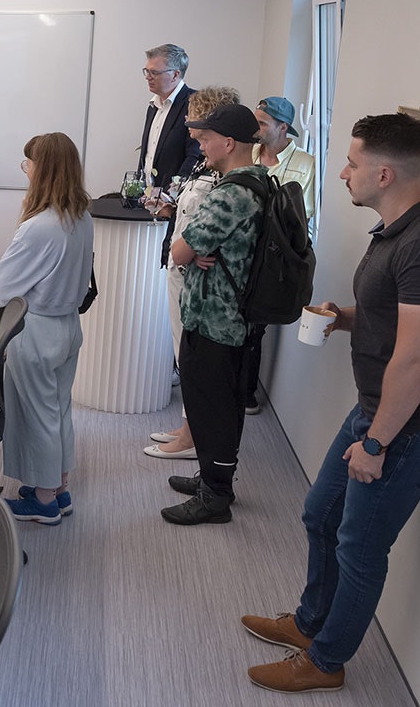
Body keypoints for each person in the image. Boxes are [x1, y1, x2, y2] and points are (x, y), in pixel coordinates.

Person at [244, 113, 420, 693]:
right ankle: (310, 622)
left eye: (352, 162)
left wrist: (375, 443)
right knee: (320, 515)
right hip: (378, 411)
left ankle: (327, 660)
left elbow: (417, 361)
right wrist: (343, 319)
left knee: (360, 547)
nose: (342, 172)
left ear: (386, 173)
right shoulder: (397, 234)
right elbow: (396, 324)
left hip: (407, 430)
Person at [160, 104, 265, 526]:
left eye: (205, 139)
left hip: (218, 319)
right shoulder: (255, 183)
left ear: (229, 142)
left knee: (214, 408)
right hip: (227, 315)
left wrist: (193, 248)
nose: (199, 145)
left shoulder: (232, 193)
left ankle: (215, 497)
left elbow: (180, 249)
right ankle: (212, 479)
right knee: (215, 404)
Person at [0, 133, 94, 525]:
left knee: (37, 414)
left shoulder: (40, 226)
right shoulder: (81, 217)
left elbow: (5, 285)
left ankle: (43, 500)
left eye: (30, 164)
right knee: (57, 411)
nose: (27, 171)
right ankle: (58, 487)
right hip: (68, 327)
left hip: (35, 330)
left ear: (45, 169)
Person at [142, 86, 242, 462]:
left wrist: (200, 247)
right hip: (182, 266)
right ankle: (188, 427)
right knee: (183, 353)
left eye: (195, 120)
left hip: (195, 275)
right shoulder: (204, 163)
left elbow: (218, 221)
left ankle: (191, 436)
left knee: (191, 359)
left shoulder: (223, 171)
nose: (186, 125)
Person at [242, 95, 318, 414]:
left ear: (282, 126)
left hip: (272, 256)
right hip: (240, 249)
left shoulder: (306, 164)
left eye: (262, 122)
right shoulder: (248, 153)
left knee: (255, 325)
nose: (255, 128)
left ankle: (245, 392)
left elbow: (306, 215)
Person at [139, 44, 201, 190]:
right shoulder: (153, 105)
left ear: (175, 75)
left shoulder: (195, 104)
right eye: (146, 71)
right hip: (147, 196)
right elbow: (148, 153)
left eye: (154, 72)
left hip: (172, 199)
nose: (148, 77)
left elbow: (195, 156)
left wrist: (172, 192)